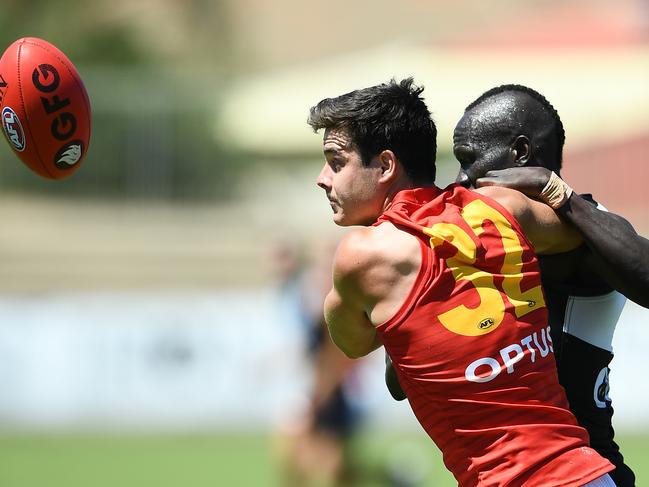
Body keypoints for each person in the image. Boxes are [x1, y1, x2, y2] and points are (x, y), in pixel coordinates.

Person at [308, 78, 616, 486]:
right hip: (589, 473)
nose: (323, 178)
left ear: (385, 166)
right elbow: (582, 231)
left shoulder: (363, 255)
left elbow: (352, 341)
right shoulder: (504, 209)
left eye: (336, 161)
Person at [452, 84, 646, 486]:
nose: (460, 178)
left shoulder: (583, 226)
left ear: (521, 154)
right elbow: (397, 382)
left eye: (469, 160)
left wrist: (559, 194)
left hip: (585, 470)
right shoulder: (481, 243)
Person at [270, 239, 366, 487]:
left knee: (326, 460)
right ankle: (394, 477)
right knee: (304, 456)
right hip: (317, 385)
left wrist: (321, 391)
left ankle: (393, 477)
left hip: (329, 389)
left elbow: (334, 355)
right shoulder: (298, 295)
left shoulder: (333, 304)